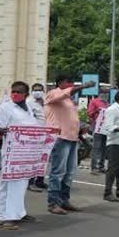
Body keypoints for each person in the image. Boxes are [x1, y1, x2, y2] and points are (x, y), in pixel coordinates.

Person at [44, 74, 96, 215]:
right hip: (60, 137)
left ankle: (64, 200)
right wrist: (83, 86)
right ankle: (53, 203)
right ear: (60, 82)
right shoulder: (53, 94)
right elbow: (67, 93)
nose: (71, 85)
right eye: (69, 82)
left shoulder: (69, 100)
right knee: (58, 171)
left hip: (72, 137)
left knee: (70, 171)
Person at [0, 82, 41, 230]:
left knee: (22, 182)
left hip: (27, 151)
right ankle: (4, 217)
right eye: (13, 91)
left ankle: (19, 212)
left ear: (26, 94)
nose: (15, 94)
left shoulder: (29, 108)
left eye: (18, 92)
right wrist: (8, 131)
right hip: (12, 151)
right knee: (8, 183)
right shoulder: (5, 108)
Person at [27, 83, 48, 191]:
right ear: (31, 91)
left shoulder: (47, 103)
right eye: (35, 90)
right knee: (33, 159)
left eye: (39, 90)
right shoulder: (29, 104)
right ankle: (30, 182)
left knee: (43, 159)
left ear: (43, 91)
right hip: (34, 135)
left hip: (47, 135)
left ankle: (40, 181)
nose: (37, 92)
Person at [87, 88, 110, 174]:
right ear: (100, 93)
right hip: (97, 127)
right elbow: (89, 113)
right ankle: (94, 167)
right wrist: (97, 111)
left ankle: (101, 166)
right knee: (96, 147)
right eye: (104, 93)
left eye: (107, 93)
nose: (106, 95)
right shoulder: (94, 102)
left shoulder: (107, 104)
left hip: (105, 128)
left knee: (104, 148)